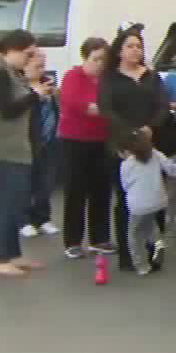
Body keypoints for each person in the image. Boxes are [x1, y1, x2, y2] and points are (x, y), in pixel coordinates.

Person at [101, 27, 176, 272]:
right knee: (126, 199)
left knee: (155, 199)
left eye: (139, 46)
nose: (135, 50)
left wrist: (150, 127)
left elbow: (162, 105)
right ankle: (129, 254)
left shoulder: (152, 76)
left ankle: (154, 251)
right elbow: (107, 110)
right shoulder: (110, 78)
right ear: (119, 50)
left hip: (151, 144)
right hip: (122, 144)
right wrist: (129, 134)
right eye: (130, 46)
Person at [0, 29, 53, 278]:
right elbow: (9, 109)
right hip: (3, 147)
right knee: (6, 203)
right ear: (14, 49)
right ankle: (2, 258)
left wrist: (34, 88)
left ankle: (14, 254)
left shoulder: (12, 72)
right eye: (27, 53)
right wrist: (35, 94)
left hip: (20, 147)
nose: (29, 59)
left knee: (17, 201)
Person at [57, 37, 115, 259]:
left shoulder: (107, 81)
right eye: (96, 59)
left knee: (101, 189)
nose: (100, 64)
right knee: (75, 191)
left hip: (101, 140)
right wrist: (110, 110)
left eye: (104, 59)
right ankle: (73, 241)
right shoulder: (73, 77)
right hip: (75, 140)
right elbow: (80, 106)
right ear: (85, 57)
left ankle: (99, 237)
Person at [119, 133, 176, 276]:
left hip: (138, 205)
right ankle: (158, 243)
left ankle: (141, 265)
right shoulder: (155, 154)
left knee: (134, 235)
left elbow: (125, 185)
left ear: (128, 150)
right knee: (150, 225)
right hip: (158, 200)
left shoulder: (126, 164)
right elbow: (171, 168)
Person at [21, 46, 61, 240]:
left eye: (43, 64)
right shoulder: (21, 87)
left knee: (47, 182)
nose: (41, 67)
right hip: (29, 141)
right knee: (28, 182)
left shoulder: (48, 84)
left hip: (50, 140)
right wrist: (36, 95)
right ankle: (25, 220)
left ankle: (43, 218)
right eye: (37, 63)